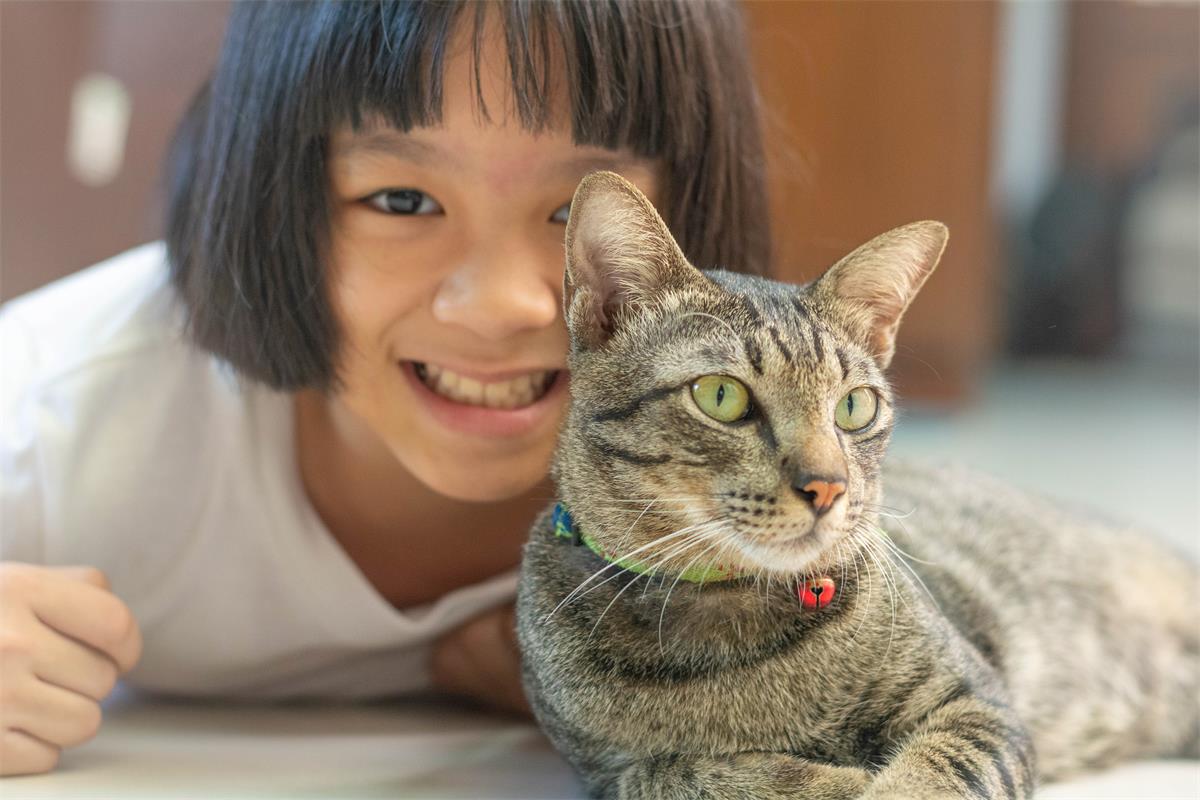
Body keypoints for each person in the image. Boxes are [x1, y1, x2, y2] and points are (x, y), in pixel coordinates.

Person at [0, 0, 770, 777]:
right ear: (272, 202)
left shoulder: (773, 458)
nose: (502, 307)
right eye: (402, 201)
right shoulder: (60, 413)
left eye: (576, 210)